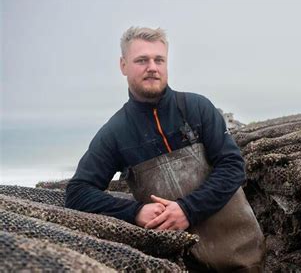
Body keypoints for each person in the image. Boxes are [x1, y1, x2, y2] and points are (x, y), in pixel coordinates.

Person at [65, 26, 264, 272]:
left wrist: (188, 210)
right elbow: (78, 192)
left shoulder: (197, 108)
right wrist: (135, 212)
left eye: (159, 59)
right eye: (141, 60)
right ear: (123, 65)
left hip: (242, 256)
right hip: (178, 263)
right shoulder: (115, 133)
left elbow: (233, 167)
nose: (152, 67)